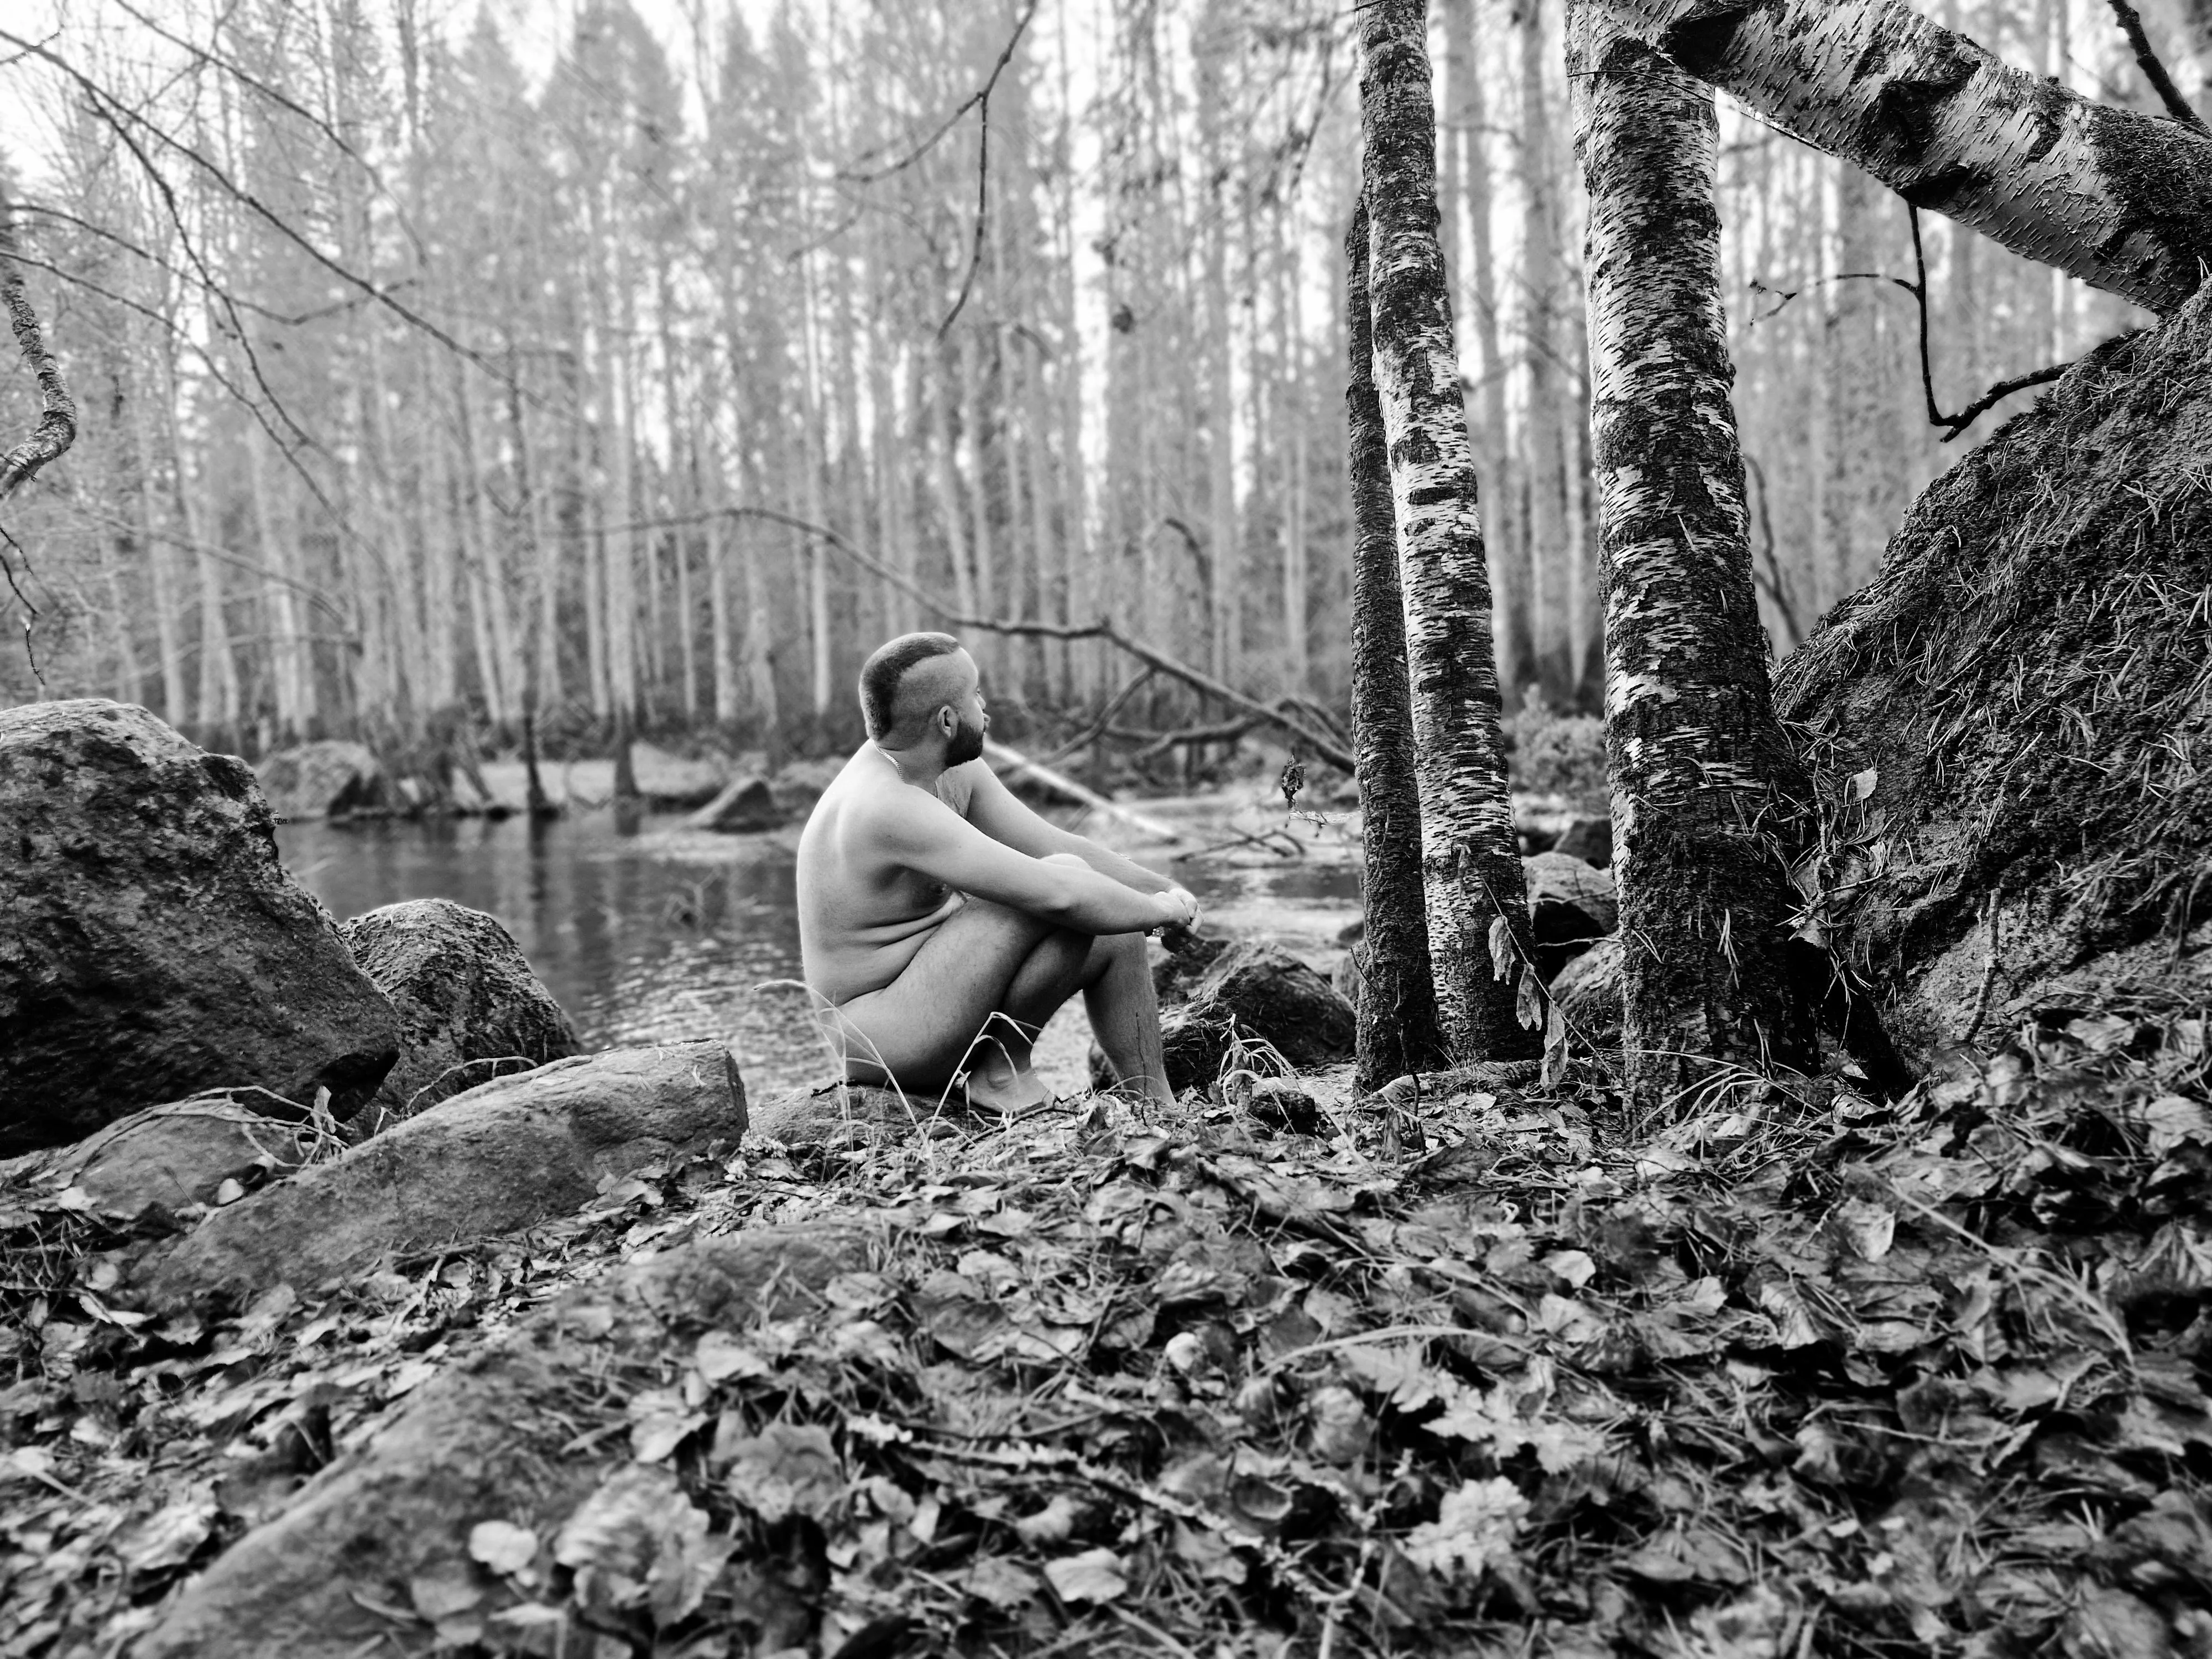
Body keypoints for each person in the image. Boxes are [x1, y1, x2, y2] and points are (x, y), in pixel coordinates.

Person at [797, 632, 1199, 1111]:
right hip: (881, 1033)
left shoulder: (946, 766)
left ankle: (1158, 1105)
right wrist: (1159, 913)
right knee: (1081, 891)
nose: (986, 709)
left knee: (1112, 926)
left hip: (939, 989)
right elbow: (1059, 892)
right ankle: (1001, 1078)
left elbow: (1052, 844)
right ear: (947, 720)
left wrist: (1167, 890)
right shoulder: (884, 805)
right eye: (976, 695)